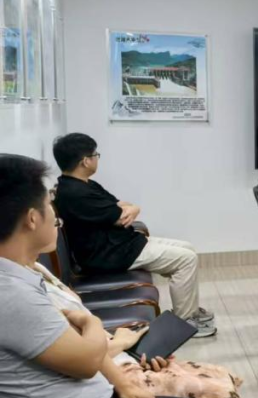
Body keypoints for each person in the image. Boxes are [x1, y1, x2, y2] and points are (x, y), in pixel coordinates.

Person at [0, 154, 252, 398]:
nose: (56, 216)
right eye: (49, 205)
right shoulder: (10, 294)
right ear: (31, 218)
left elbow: (82, 349)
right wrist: (90, 323)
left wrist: (121, 383)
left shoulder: (21, 274)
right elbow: (86, 360)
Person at [32, 260, 251, 398]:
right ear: (31, 220)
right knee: (219, 395)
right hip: (109, 375)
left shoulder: (38, 269)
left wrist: (127, 348)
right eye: (55, 220)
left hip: (115, 355)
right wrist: (120, 342)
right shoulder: (30, 298)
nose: (57, 222)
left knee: (219, 374)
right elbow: (81, 359)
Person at [52, 133, 215, 338]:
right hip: (109, 254)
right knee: (186, 259)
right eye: (95, 155)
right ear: (85, 161)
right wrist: (131, 209)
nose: (97, 159)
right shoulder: (76, 193)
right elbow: (121, 216)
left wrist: (133, 208)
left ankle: (189, 310)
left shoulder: (83, 184)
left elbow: (121, 205)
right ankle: (185, 321)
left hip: (119, 244)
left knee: (187, 248)